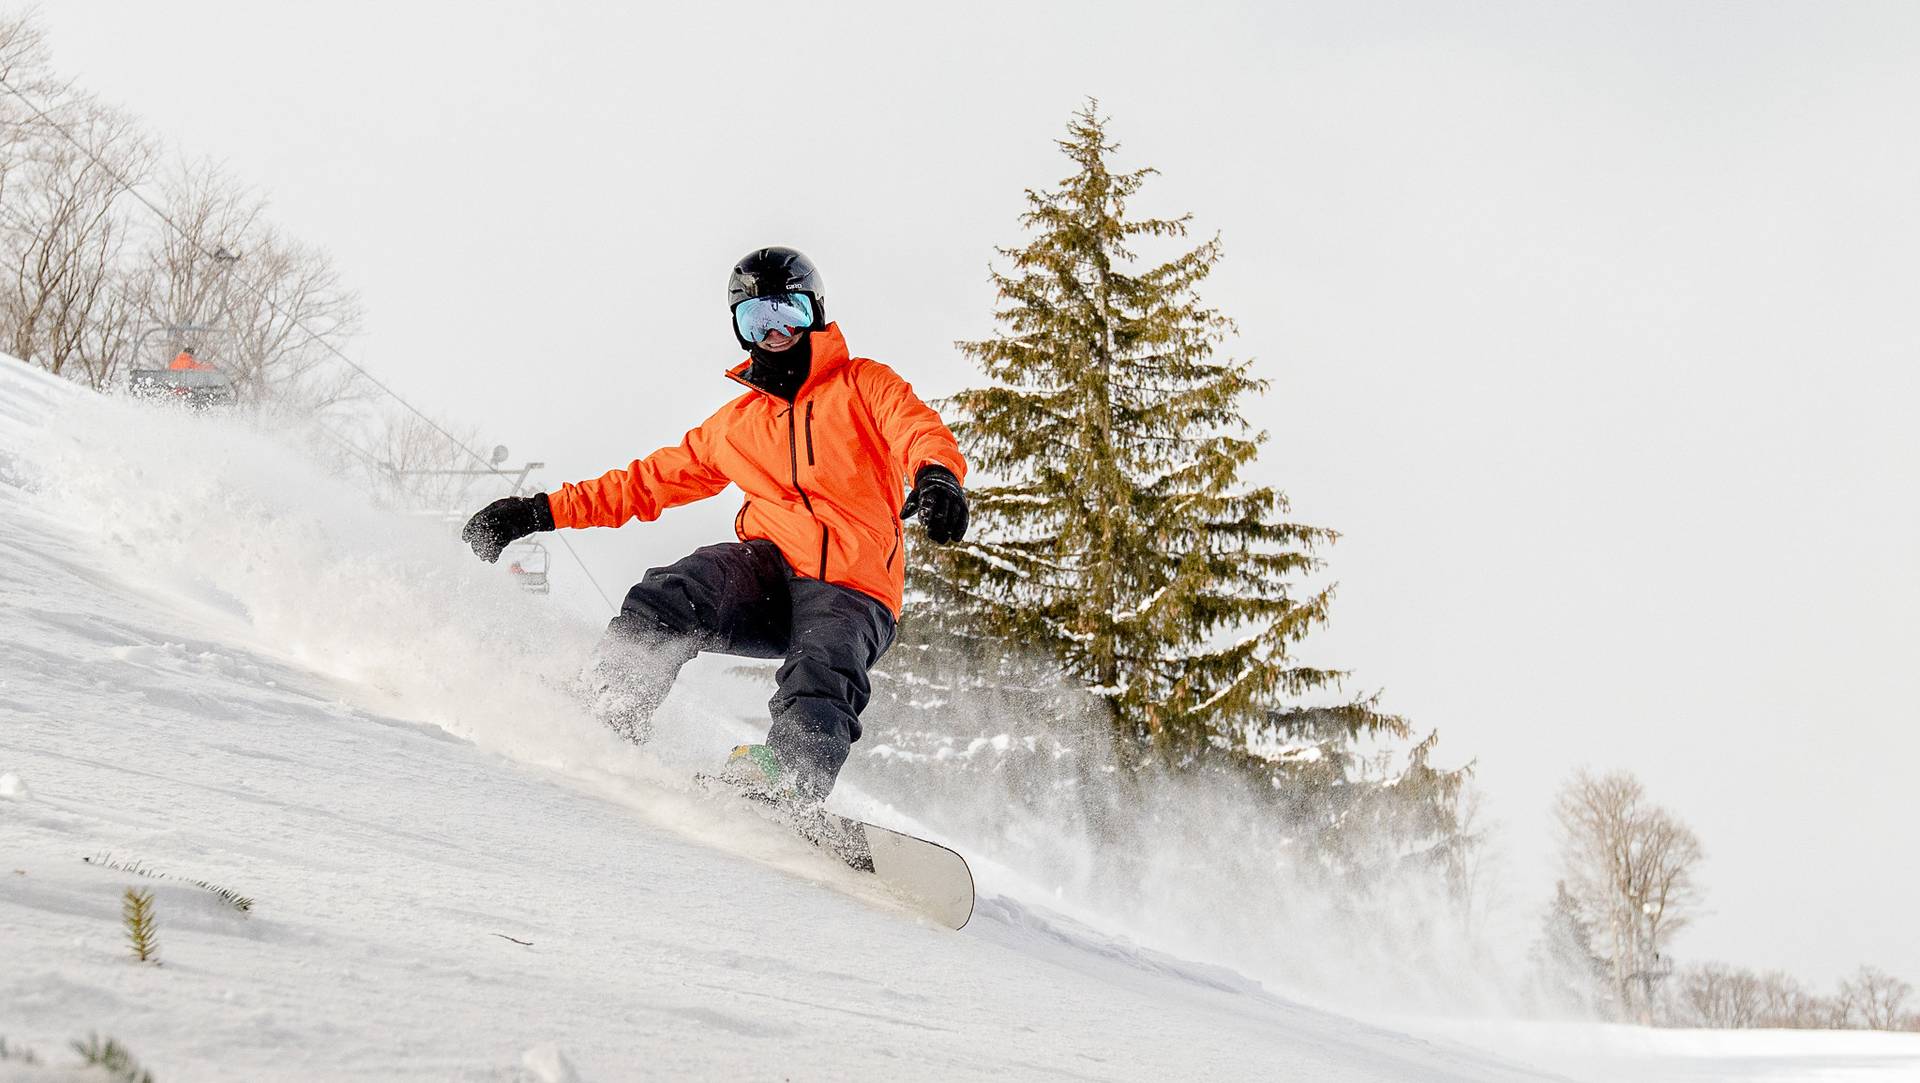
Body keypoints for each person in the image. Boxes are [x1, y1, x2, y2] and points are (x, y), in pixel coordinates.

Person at [460, 247, 969, 805]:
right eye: (756, 319)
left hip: (853, 585)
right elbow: (645, 483)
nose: (774, 332)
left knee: (822, 666)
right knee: (676, 589)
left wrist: (938, 475)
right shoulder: (737, 426)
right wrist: (540, 510)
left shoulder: (862, 385)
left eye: (788, 313)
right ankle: (610, 701)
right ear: (740, 330)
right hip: (771, 576)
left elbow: (916, 427)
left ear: (815, 313)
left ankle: (789, 783)